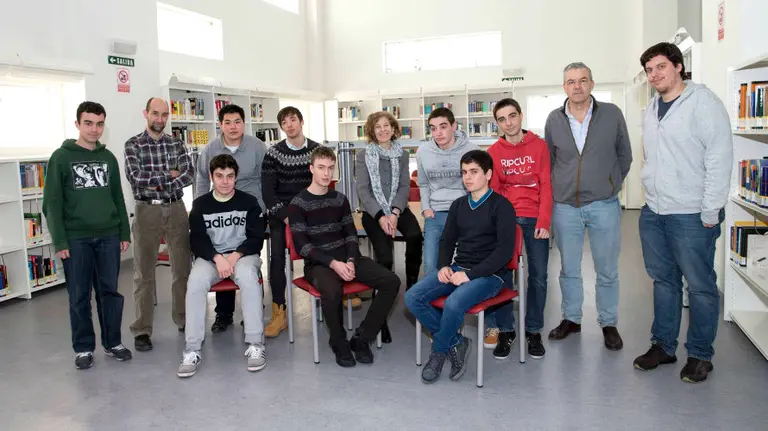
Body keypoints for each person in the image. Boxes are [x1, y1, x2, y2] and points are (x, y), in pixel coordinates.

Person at [633, 42, 732, 383]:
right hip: (655, 210)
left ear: (677, 66)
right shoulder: (651, 108)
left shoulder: (702, 102)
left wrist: (710, 209)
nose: (654, 74)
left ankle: (701, 354)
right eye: (649, 70)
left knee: (701, 285)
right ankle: (663, 346)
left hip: (692, 213)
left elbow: (719, 158)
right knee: (664, 281)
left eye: (660, 66)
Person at [405, 150, 517, 384]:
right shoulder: (458, 205)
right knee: (413, 297)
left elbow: (504, 253)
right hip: (458, 267)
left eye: (473, 172)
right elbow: (447, 240)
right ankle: (457, 342)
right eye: (464, 172)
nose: (467, 177)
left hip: (490, 275)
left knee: (454, 303)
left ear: (488, 174)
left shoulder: (502, 206)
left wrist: (470, 275)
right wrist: (444, 265)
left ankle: (438, 352)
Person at [544, 62, 632, 350]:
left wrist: (610, 183)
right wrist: (560, 189)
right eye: (571, 81)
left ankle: (608, 322)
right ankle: (571, 318)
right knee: (569, 267)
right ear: (564, 87)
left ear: (592, 84)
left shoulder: (612, 114)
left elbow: (625, 155)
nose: (577, 86)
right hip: (565, 206)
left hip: (603, 204)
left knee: (607, 268)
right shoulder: (554, 119)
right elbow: (550, 160)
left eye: (583, 80)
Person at [288, 147, 400, 368]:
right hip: (319, 263)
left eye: (330, 168)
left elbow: (350, 234)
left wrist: (349, 260)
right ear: (311, 169)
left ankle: (362, 338)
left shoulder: (340, 199)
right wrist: (333, 263)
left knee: (391, 281)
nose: (326, 173)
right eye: (321, 167)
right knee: (331, 290)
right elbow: (302, 247)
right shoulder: (298, 204)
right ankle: (338, 342)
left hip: (347, 258)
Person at [43, 101, 132, 369]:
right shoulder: (61, 157)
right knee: (79, 295)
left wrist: (123, 232)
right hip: (76, 239)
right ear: (77, 124)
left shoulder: (108, 158)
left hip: (108, 236)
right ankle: (83, 348)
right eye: (89, 123)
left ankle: (113, 342)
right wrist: (60, 241)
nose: (94, 129)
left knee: (110, 292)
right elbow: (52, 204)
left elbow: (117, 197)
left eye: (100, 123)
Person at [177, 154, 266, 378]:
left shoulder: (249, 202)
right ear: (211, 177)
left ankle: (256, 344)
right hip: (211, 258)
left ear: (236, 178)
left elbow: (256, 237)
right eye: (219, 176)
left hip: (242, 256)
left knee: (248, 278)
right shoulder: (200, 204)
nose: (225, 181)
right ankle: (192, 349)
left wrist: (234, 257)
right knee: (195, 282)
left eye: (230, 176)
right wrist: (217, 258)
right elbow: (197, 239)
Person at [484, 98, 552, 360]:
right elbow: (496, 190)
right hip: (508, 219)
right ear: (497, 123)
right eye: (502, 119)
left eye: (512, 116)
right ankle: (505, 330)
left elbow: (546, 185)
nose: (508, 123)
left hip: (535, 217)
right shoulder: (494, 151)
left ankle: (533, 330)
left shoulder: (540, 146)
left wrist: (544, 221)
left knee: (538, 276)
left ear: (521, 116)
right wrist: (504, 219)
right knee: (501, 275)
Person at [125, 97, 195, 352]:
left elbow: (188, 174)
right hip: (146, 211)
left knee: (182, 270)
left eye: (165, 114)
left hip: (176, 208)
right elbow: (136, 177)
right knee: (144, 273)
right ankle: (142, 329)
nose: (160, 119)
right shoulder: (133, 144)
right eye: (155, 113)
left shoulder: (177, 143)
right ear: (146, 113)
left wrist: (158, 181)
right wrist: (169, 175)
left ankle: (185, 320)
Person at [195, 104, 267, 333]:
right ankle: (223, 314)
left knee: (248, 260)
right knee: (222, 257)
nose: (233, 126)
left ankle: (251, 312)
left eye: (237, 121)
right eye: (227, 122)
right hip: (220, 212)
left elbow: (266, 179)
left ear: (244, 123)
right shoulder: (210, 149)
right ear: (220, 125)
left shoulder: (257, 147)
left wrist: (262, 210)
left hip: (250, 211)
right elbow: (202, 181)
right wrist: (200, 210)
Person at [356, 111, 423, 342]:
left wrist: (394, 212)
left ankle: (412, 289)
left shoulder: (402, 154)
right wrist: (381, 216)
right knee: (384, 258)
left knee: (415, 235)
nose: (383, 130)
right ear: (372, 132)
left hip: (397, 208)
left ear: (393, 129)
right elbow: (363, 191)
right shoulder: (363, 155)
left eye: (387, 125)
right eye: (378, 127)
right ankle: (380, 316)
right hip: (373, 212)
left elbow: (405, 185)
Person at [261, 106, 321, 338]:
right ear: (281, 127)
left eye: (293, 120)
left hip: (311, 210)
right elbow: (268, 192)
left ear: (301, 121)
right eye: (284, 122)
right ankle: (279, 312)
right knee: (277, 258)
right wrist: (287, 216)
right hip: (281, 215)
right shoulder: (273, 154)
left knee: (323, 247)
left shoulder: (317, 150)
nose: (290, 125)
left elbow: (323, 183)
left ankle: (328, 291)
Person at [417, 108, 478, 275]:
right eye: (433, 128)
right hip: (436, 213)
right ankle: (434, 298)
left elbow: (479, 184)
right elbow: (423, 183)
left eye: (443, 127)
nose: (438, 133)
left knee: (465, 265)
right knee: (430, 266)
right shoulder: (423, 152)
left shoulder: (472, 150)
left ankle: (459, 299)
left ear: (454, 126)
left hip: (464, 212)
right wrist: (426, 209)